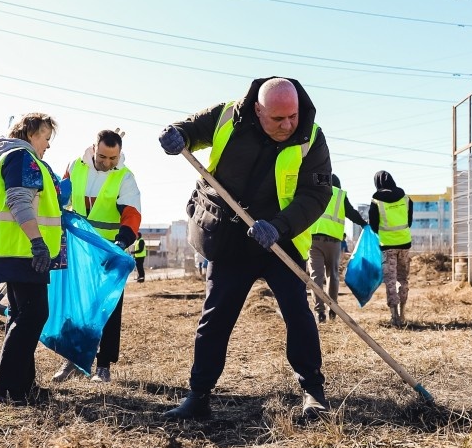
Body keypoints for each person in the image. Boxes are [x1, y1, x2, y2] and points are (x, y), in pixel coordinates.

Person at [158, 76, 333, 421]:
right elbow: (191, 129)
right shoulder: (228, 115)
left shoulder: (311, 136)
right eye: (277, 118)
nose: (287, 126)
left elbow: (316, 194)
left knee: (298, 314)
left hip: (280, 240)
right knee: (215, 318)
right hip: (230, 238)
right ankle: (199, 396)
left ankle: (314, 392)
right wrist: (178, 134)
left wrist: (279, 226)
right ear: (257, 110)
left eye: (292, 116)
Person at [0, 112, 64, 406]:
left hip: (13, 249)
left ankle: (22, 386)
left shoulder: (10, 158)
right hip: (24, 250)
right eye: (46, 138)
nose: (48, 145)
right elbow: (18, 201)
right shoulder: (22, 158)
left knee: (22, 315)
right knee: (33, 314)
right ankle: (3, 384)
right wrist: (37, 242)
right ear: (30, 134)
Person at [52, 129, 142, 384]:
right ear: (94, 149)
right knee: (76, 304)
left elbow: (132, 213)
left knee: (108, 308)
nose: (108, 162)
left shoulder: (125, 177)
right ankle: (72, 360)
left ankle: (103, 366)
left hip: (110, 250)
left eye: (113, 158)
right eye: (103, 157)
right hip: (80, 249)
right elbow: (61, 197)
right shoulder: (75, 167)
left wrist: (121, 242)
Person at [307, 174, 367, 324]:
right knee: (332, 275)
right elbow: (351, 213)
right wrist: (364, 224)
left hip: (314, 241)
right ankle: (333, 310)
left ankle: (320, 312)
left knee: (316, 277)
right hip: (333, 242)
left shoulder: (314, 192)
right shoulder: (340, 195)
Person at [369, 170, 413, 327]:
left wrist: (384, 233)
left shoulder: (376, 200)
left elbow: (373, 224)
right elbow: (409, 221)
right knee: (403, 279)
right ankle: (403, 314)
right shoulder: (406, 198)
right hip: (405, 243)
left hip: (387, 245)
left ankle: (394, 316)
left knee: (390, 281)